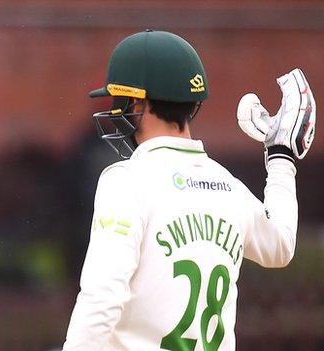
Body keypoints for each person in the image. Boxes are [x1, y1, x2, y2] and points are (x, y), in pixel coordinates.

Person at [62, 29, 316, 350]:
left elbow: (101, 299)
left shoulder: (125, 180)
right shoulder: (228, 186)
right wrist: (281, 159)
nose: (116, 109)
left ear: (138, 101)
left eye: (119, 99)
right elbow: (280, 246)